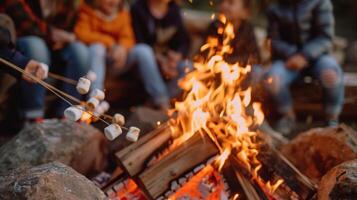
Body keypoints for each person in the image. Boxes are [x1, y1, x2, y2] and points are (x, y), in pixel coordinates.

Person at [265, 0, 344, 135]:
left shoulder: (321, 3)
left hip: (318, 57)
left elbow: (325, 38)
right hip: (288, 60)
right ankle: (288, 116)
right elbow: (273, 40)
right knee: (272, 78)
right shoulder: (275, 9)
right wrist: (292, 55)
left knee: (331, 74)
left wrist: (304, 56)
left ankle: (332, 119)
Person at [0, 0, 90, 119]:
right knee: (36, 46)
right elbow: (26, 24)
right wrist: (52, 34)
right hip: (23, 42)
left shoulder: (67, 3)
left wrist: (62, 37)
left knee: (80, 50)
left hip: (55, 44)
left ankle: (69, 114)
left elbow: (68, 29)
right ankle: (33, 115)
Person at [130, 0, 191, 109]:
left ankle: (155, 101)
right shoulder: (138, 8)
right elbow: (138, 41)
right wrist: (161, 61)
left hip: (168, 61)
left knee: (188, 67)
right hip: (143, 64)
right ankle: (163, 103)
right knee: (144, 52)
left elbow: (184, 41)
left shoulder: (174, 10)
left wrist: (176, 56)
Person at [203, 0, 261, 70]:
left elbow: (254, 56)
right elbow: (205, 52)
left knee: (257, 70)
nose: (224, 5)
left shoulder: (247, 30)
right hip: (215, 69)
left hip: (240, 69)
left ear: (245, 12)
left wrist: (229, 62)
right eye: (221, 2)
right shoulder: (215, 26)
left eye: (231, 3)